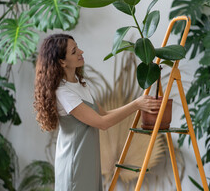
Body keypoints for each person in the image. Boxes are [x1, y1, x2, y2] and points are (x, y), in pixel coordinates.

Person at [33, 33, 161, 191]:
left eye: (77, 47)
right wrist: (136, 105)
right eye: (74, 51)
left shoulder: (80, 85)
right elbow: (102, 123)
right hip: (75, 162)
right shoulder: (64, 92)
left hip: (88, 160)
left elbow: (104, 115)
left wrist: (138, 105)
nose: (81, 52)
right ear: (62, 62)